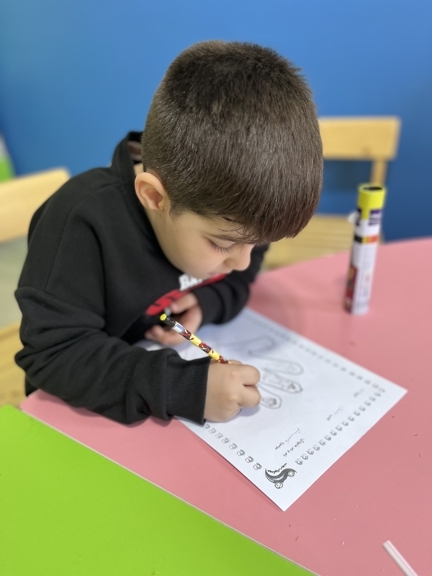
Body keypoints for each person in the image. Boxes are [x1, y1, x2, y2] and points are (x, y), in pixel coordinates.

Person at [15, 41, 322, 425]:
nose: (243, 262)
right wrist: (184, 388)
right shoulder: (80, 224)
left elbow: (241, 270)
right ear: (155, 197)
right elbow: (54, 355)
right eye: (222, 244)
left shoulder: (233, 221)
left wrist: (209, 301)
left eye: (258, 243)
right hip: (74, 416)